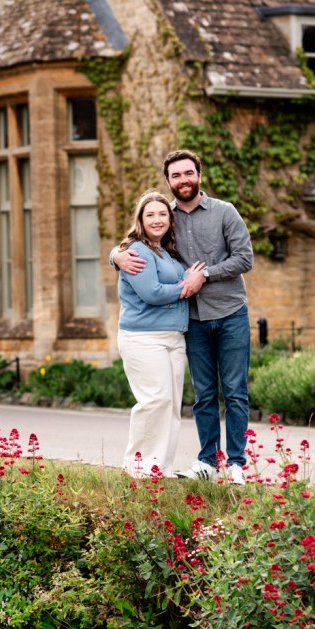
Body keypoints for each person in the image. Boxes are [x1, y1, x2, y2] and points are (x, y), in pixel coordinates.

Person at [113, 150, 254, 484]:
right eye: (176, 176)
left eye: (188, 173)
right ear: (168, 181)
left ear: (199, 175)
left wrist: (204, 276)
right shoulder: (166, 216)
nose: (183, 180)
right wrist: (116, 255)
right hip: (192, 321)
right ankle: (207, 461)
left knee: (234, 391)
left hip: (231, 312)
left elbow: (244, 258)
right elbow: (139, 242)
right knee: (203, 395)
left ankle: (236, 463)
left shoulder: (224, 212)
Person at [116, 189, 205, 478]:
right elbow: (151, 293)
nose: (157, 220)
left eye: (162, 214)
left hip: (173, 338)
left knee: (170, 405)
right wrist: (186, 287)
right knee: (154, 401)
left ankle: (161, 467)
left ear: (170, 219)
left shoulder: (167, 252)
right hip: (144, 338)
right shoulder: (137, 250)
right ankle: (138, 466)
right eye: (150, 214)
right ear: (140, 219)